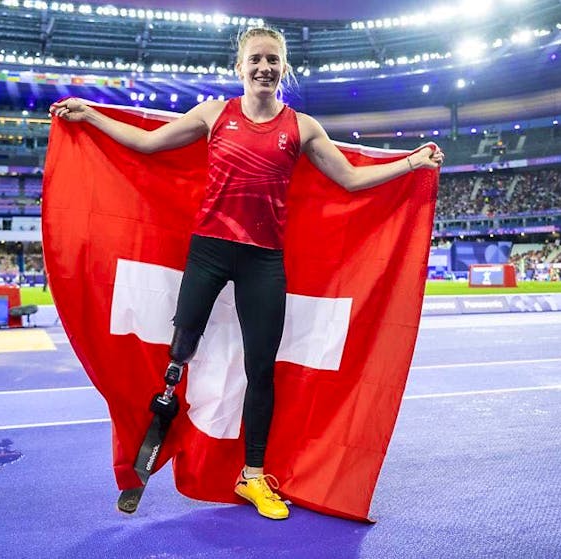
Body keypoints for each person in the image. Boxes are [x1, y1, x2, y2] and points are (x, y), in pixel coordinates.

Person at [50, 27, 444, 520]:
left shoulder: (301, 128)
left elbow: (349, 178)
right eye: (255, 59)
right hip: (209, 252)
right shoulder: (215, 114)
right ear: (240, 67)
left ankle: (253, 477)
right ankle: (147, 450)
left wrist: (411, 163)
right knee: (177, 354)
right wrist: (90, 114)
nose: (264, 67)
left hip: (263, 261)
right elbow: (149, 145)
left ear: (284, 67)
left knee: (262, 370)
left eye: (273, 60)